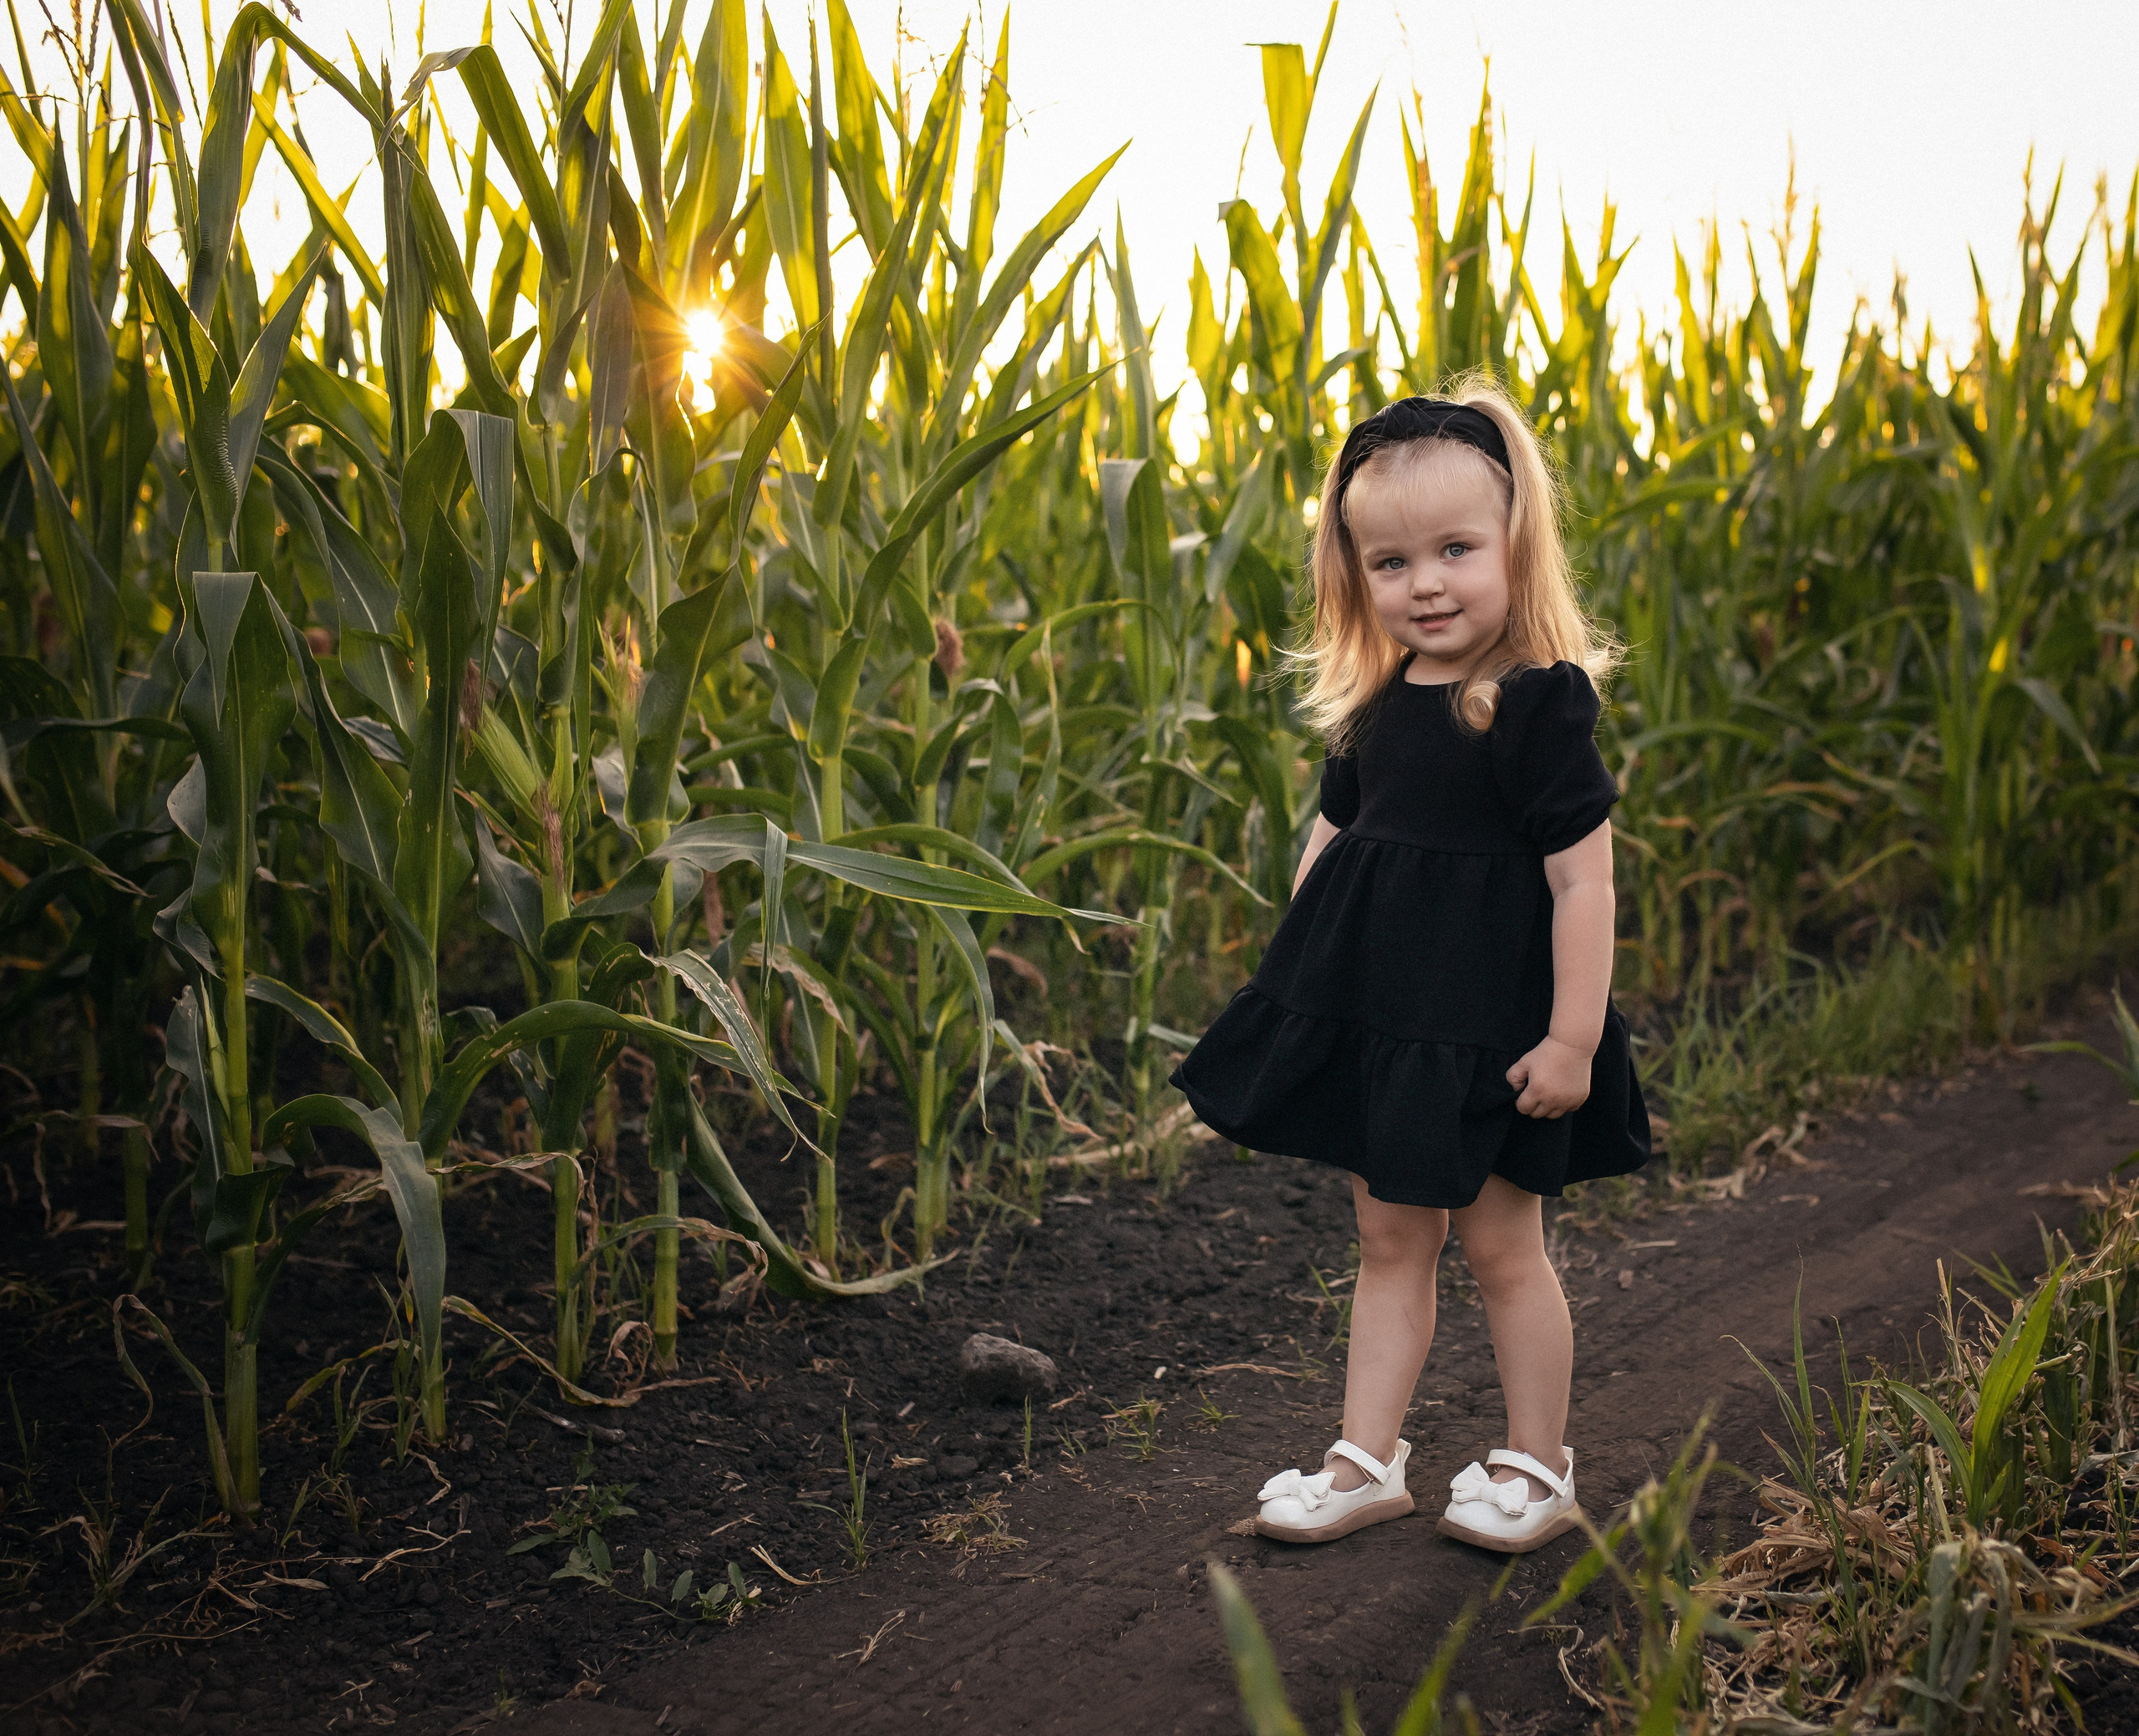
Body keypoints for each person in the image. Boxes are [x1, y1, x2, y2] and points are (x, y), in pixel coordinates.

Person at [1168, 380, 1650, 1553]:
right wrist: (1305, 990)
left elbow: (1583, 881)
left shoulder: (1535, 705)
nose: (1425, 582)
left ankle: (1537, 1461)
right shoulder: (1379, 705)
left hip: (1493, 1034)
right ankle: (1365, 1454)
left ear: (1513, 546)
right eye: (1390, 562)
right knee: (1389, 1240)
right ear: (1354, 575)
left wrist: (1574, 1038)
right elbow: (1334, 846)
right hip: (1388, 1024)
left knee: (1501, 1246)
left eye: (1454, 550)